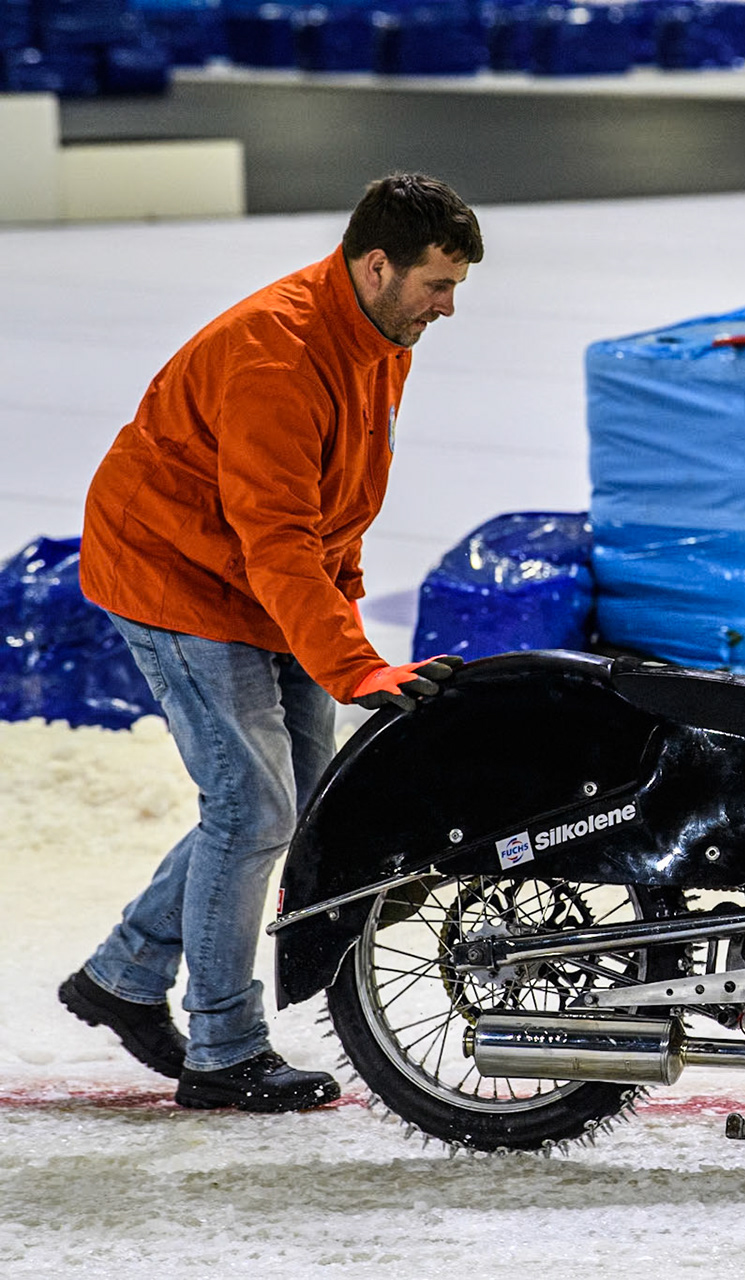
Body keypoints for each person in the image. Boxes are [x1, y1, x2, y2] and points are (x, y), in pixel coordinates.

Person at [57, 173, 480, 1113]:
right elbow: (279, 535)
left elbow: (344, 500)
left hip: (256, 575)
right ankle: (225, 1052)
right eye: (436, 286)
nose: (447, 309)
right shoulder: (276, 356)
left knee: (291, 804)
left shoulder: (381, 336)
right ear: (378, 265)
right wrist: (354, 664)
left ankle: (122, 976)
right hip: (174, 573)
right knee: (251, 808)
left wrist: (347, 616)